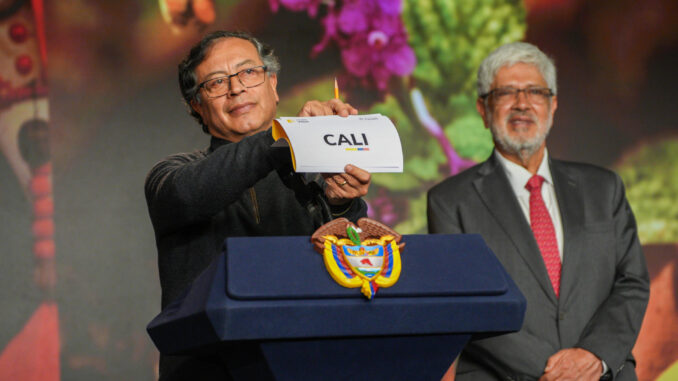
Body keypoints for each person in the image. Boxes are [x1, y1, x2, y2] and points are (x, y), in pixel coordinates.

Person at [145, 30, 371, 380]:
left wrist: (341, 204)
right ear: (197, 106)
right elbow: (194, 194)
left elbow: (353, 271)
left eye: (248, 72)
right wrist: (284, 136)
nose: (236, 89)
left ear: (273, 84)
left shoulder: (313, 180)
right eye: (217, 82)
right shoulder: (170, 177)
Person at [427, 42, 649, 381]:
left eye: (535, 91)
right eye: (506, 93)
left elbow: (631, 282)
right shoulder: (450, 201)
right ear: (483, 109)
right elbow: (466, 305)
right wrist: (558, 374)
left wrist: (593, 356)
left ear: (553, 105)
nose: (522, 104)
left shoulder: (604, 188)